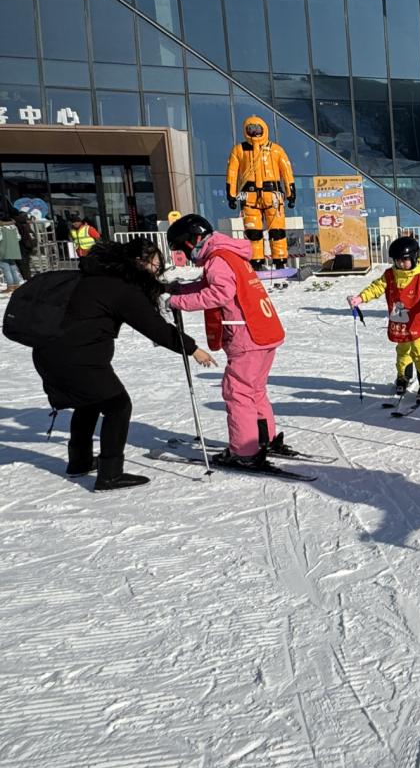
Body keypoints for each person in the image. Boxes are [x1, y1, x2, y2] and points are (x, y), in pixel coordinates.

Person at [29, 238, 215, 491]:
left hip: (49, 353)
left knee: (89, 403)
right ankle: (110, 474)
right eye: (155, 263)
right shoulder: (120, 288)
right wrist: (192, 349)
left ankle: (79, 462)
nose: (157, 269)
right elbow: (154, 327)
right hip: (79, 358)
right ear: (140, 262)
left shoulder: (95, 277)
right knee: (118, 405)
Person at [167, 214, 289, 469]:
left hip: (247, 336)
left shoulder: (217, 260)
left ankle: (244, 451)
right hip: (264, 331)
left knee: (238, 391)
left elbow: (219, 293)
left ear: (193, 241)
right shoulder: (230, 255)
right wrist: (179, 289)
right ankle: (263, 439)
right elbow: (206, 284)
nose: (185, 256)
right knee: (254, 389)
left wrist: (177, 302)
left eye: (181, 248)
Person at [347, 235, 420, 404]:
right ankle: (403, 376)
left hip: (418, 322)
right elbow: (376, 287)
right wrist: (360, 298)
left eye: (405, 260)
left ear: (414, 258)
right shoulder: (390, 275)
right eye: (398, 260)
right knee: (402, 350)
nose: (401, 264)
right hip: (400, 323)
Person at [226, 115, 295, 270]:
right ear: (245, 130)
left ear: (264, 129)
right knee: (253, 232)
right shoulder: (239, 150)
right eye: (251, 129)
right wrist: (231, 194)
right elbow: (232, 173)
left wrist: (291, 193)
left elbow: (287, 172)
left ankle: (280, 260)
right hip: (249, 196)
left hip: (273, 195)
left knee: (277, 231)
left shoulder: (275, 150)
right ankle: (256, 261)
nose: (255, 132)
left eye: (257, 128)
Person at [0, 211, 22, 291]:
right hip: (13, 250)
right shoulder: (14, 227)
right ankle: (16, 284)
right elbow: (19, 238)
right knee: (13, 267)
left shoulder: (1, 228)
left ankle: (10, 286)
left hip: (3, 250)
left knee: (6, 268)